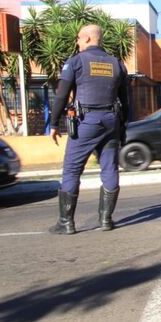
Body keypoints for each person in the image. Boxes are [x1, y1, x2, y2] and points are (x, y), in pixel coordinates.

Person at [48, 24, 129, 234]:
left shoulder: (76, 62)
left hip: (86, 122)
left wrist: (54, 124)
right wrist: (123, 126)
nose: (76, 42)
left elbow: (61, 95)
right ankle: (106, 220)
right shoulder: (116, 64)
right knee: (110, 168)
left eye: (78, 39)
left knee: (72, 169)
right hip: (111, 122)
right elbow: (126, 101)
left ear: (86, 39)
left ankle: (66, 222)